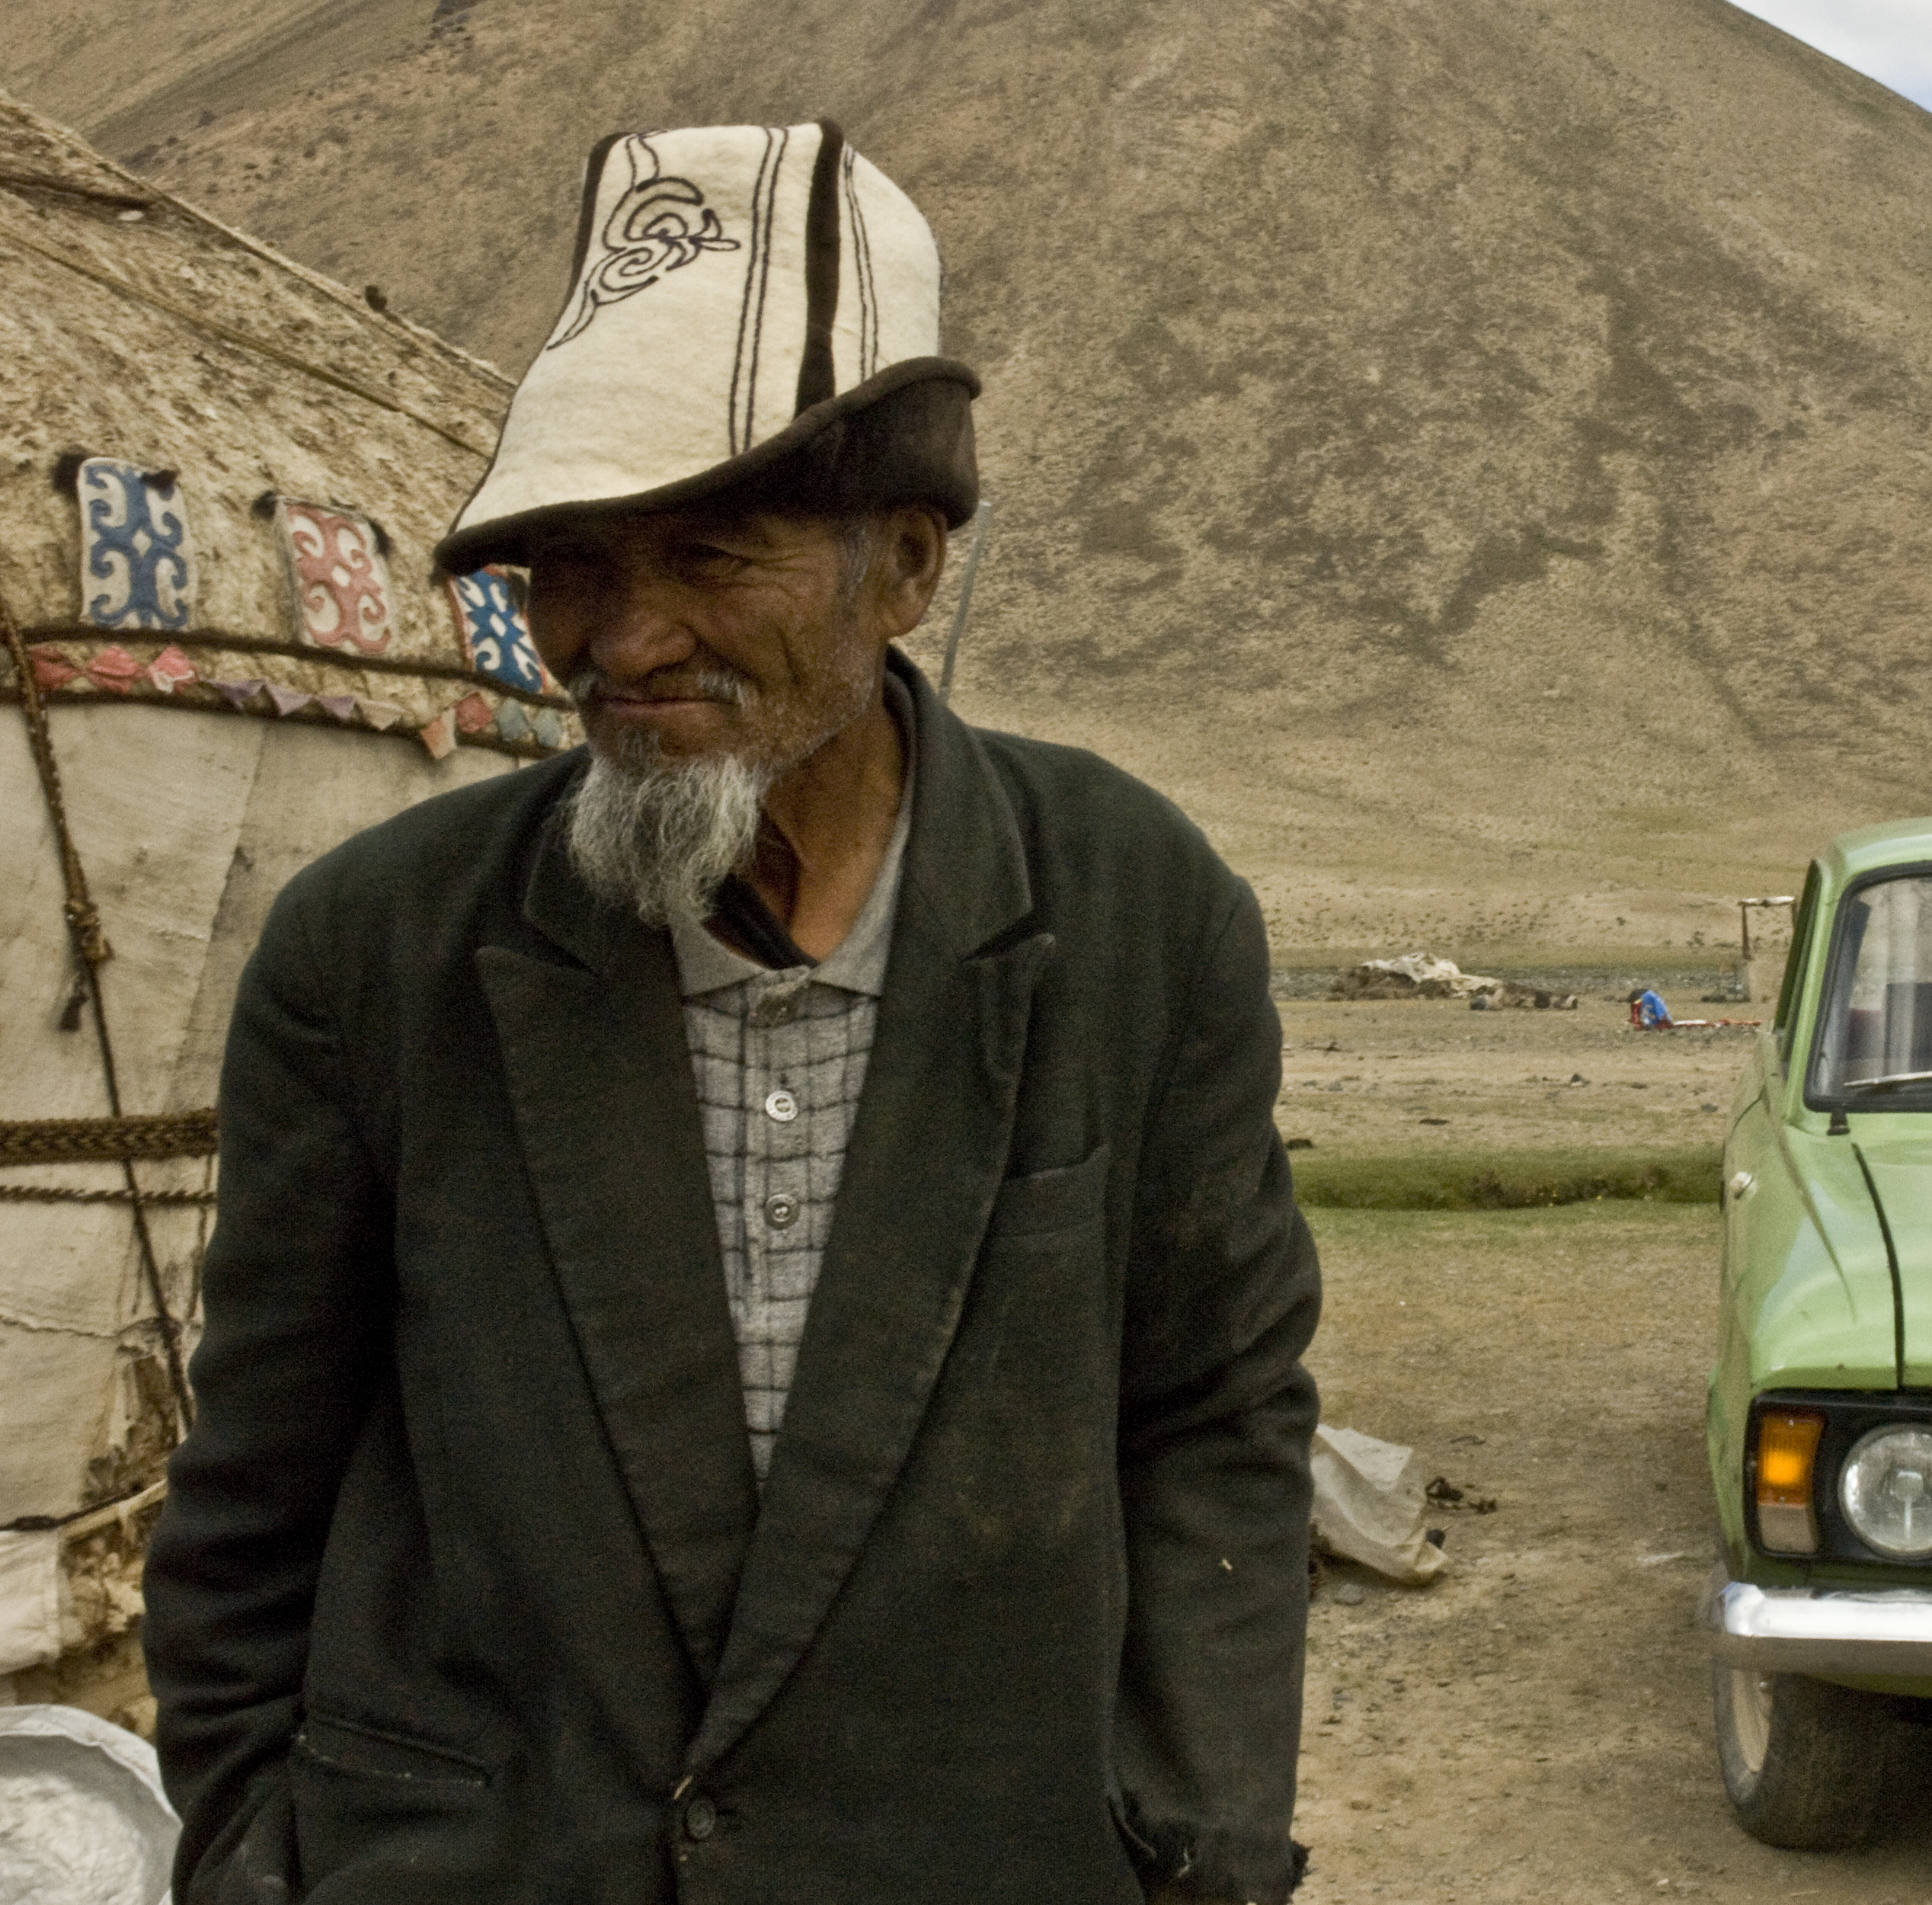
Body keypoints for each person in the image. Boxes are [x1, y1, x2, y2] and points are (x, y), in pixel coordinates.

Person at [142, 122, 1319, 1905]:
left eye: (707, 554)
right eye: (574, 566)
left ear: (906, 566)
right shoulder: (372, 951)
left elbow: (1218, 1413)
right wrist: (251, 1853)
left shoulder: (1131, 908)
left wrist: (1200, 1846)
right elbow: (253, 1481)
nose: (621, 637)